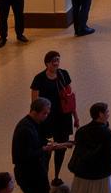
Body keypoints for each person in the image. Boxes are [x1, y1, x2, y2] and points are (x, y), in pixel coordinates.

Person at [13, 98, 69, 193]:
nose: (47, 115)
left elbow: (40, 143)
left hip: (35, 171)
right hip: (29, 173)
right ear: (34, 111)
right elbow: (25, 155)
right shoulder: (25, 129)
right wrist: (45, 149)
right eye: (44, 113)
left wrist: (57, 145)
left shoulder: (34, 124)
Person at [31, 51, 78, 183]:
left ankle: (56, 175)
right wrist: (35, 121)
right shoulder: (39, 79)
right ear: (46, 63)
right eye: (53, 61)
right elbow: (34, 103)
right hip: (46, 119)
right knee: (47, 148)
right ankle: (43, 177)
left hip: (63, 117)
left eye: (58, 60)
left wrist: (76, 116)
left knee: (61, 148)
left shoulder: (63, 74)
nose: (56, 63)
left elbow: (70, 98)